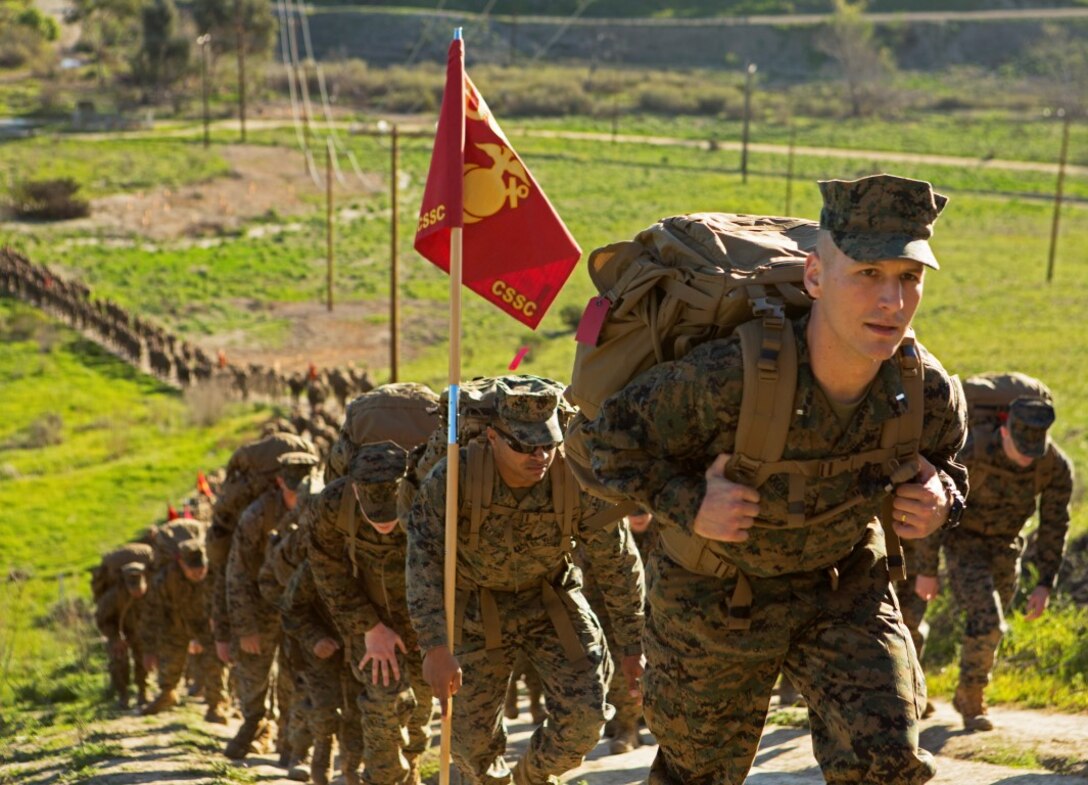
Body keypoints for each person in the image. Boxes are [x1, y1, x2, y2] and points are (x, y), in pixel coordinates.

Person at [582, 174, 969, 785]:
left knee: (889, 768)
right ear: (815, 277)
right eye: (867, 275)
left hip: (843, 587)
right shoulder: (729, 378)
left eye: (909, 277)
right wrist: (688, 502)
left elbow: (950, 460)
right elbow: (604, 442)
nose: (892, 302)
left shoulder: (922, 389)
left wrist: (941, 496)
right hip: (716, 596)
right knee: (697, 777)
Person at [406, 376, 645, 785]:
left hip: (551, 600)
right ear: (494, 438)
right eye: (524, 445)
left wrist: (633, 646)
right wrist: (435, 645)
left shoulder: (577, 478)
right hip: (475, 608)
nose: (540, 456)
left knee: (584, 723)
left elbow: (618, 562)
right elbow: (423, 560)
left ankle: (529, 781)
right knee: (469, 747)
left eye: (548, 444)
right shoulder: (453, 479)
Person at [915, 393, 1073, 732]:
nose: (1027, 460)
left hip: (1006, 548)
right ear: (1004, 433)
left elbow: (1054, 525)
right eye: (1020, 450)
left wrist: (1045, 582)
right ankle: (971, 699)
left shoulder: (1053, 466)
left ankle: (956, 692)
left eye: (1034, 452)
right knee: (989, 622)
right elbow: (935, 504)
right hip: (963, 544)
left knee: (987, 626)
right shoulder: (970, 452)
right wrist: (928, 570)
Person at [307, 441, 432, 785]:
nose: (384, 523)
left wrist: (437, 630)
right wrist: (369, 627)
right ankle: (384, 778)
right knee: (383, 706)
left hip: (423, 616)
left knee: (420, 710)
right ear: (355, 491)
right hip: (367, 619)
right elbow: (327, 571)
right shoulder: (332, 505)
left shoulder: (428, 496)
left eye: (390, 513)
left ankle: (411, 768)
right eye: (374, 513)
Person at [225, 451, 320, 760]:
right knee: (253, 675)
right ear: (279, 481)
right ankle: (256, 725)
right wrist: (245, 627)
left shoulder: (318, 505)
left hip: (301, 606)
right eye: (290, 485)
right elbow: (237, 573)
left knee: (296, 678)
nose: (295, 492)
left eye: (301, 485)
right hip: (260, 603)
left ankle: (289, 744)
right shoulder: (257, 515)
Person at [141, 539, 213, 715]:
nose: (198, 572)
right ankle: (167, 694)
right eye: (192, 568)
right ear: (181, 563)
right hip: (174, 624)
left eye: (201, 566)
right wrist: (149, 649)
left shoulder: (214, 576)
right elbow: (151, 614)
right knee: (168, 659)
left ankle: (218, 703)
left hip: (206, 625)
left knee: (215, 659)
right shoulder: (164, 580)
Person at [93, 552, 151, 709]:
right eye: (133, 589)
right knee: (118, 660)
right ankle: (123, 695)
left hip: (142, 632)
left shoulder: (152, 593)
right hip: (119, 632)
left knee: (143, 661)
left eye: (139, 588)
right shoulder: (113, 597)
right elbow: (102, 619)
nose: (137, 593)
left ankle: (143, 691)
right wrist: (115, 637)